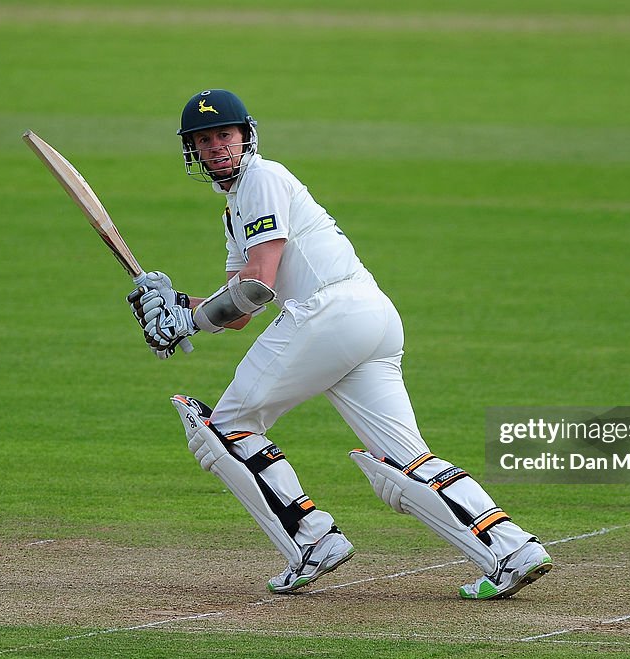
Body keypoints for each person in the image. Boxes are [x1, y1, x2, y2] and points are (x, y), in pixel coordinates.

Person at [126, 89, 551, 599]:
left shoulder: (261, 178)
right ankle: (511, 548)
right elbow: (238, 307)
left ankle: (312, 539)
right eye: (204, 139)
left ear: (245, 137)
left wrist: (188, 322)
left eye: (225, 135)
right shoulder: (237, 207)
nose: (217, 146)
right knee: (404, 462)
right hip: (370, 316)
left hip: (325, 315)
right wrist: (178, 305)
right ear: (192, 150)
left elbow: (257, 288)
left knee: (227, 429)